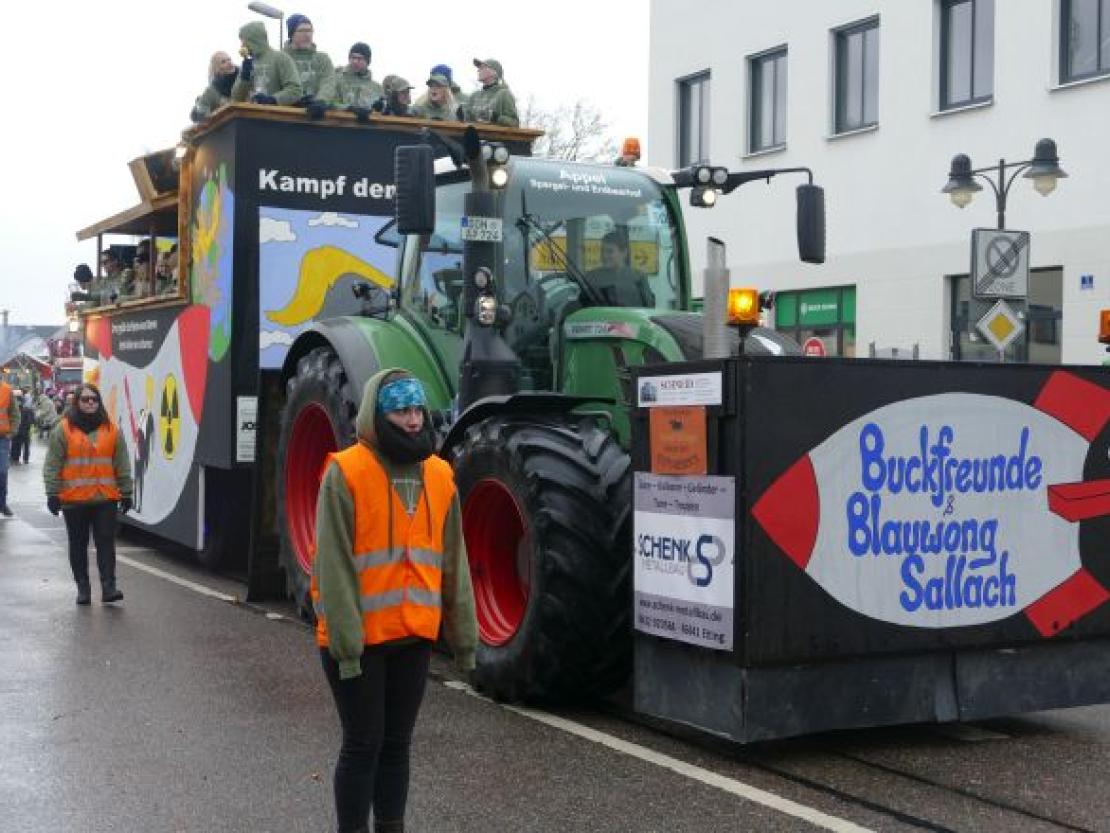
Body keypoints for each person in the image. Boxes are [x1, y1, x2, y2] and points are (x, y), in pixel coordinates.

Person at [313, 369, 477, 833]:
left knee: (397, 744)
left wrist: (464, 638)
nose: (411, 419)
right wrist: (346, 645)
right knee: (363, 743)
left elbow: (455, 562)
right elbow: (333, 565)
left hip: (412, 635)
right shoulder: (345, 471)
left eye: (417, 409)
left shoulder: (441, 475)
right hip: (357, 641)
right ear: (376, 415)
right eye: (400, 410)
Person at [43, 384, 133, 605]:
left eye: (94, 399)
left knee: (105, 542)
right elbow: (52, 464)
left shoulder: (112, 429)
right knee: (78, 544)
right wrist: (52, 493)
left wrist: (127, 492)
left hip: (105, 499)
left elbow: (121, 463)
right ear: (77, 403)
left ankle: (109, 588)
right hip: (74, 500)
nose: (90, 402)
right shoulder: (63, 430)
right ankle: (83, 589)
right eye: (85, 399)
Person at [231, 21, 303, 106]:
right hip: (250, 115)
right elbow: (236, 98)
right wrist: (244, 79)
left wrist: (273, 99)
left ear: (254, 39)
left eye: (244, 41)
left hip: (276, 116)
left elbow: (295, 90)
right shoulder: (248, 64)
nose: (242, 45)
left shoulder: (281, 58)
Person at [283, 13, 336, 118]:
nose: (307, 35)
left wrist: (320, 101)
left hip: (314, 116)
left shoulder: (323, 59)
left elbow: (328, 83)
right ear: (291, 34)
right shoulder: (281, 58)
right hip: (284, 117)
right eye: (302, 31)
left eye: (310, 31)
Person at [584, 231, 655, 306]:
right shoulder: (592, 277)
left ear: (624, 252)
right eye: (602, 251)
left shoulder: (638, 277)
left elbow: (648, 305)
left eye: (609, 251)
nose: (604, 256)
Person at [332, 42, 382, 122]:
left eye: (359, 59)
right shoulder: (337, 79)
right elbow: (328, 101)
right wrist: (348, 108)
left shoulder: (377, 88)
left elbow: (382, 113)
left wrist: (380, 109)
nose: (355, 61)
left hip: (366, 130)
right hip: (338, 125)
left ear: (367, 61)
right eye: (353, 58)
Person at [465, 58, 518, 127]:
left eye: (482, 68)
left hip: (495, 137)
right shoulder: (474, 95)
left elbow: (515, 123)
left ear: (494, 72)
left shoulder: (504, 94)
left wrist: (496, 118)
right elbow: (467, 120)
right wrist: (462, 115)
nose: (478, 70)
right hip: (474, 136)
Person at [191, 51, 238, 123]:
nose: (229, 62)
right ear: (217, 69)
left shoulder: (245, 77)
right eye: (223, 62)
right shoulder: (212, 90)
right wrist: (200, 113)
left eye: (229, 59)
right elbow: (202, 110)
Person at [0, 378, 19, 516]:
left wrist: (12, 432)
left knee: (2, 472)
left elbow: (14, 413)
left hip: (2, 438)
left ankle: (2, 503)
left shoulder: (7, 390)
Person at [10, 394, 34, 465]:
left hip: (17, 429)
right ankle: (24, 459)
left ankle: (15, 459)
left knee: (16, 444)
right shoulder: (28, 410)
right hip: (24, 430)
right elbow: (31, 421)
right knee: (25, 445)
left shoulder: (14, 410)